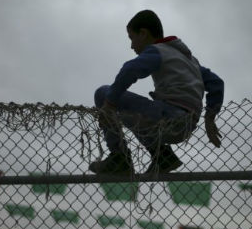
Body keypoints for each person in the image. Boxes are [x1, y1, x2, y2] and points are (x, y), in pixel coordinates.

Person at [89, 10, 224, 174]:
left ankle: (119, 157)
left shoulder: (157, 51)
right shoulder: (190, 61)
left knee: (103, 94)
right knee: (134, 115)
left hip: (169, 117)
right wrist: (209, 118)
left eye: (132, 38)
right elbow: (216, 83)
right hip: (187, 124)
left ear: (143, 33)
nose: (131, 45)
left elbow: (130, 69)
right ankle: (162, 156)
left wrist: (109, 105)